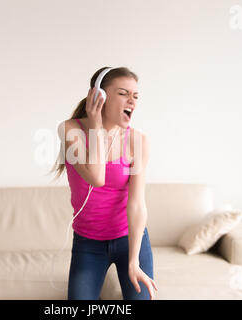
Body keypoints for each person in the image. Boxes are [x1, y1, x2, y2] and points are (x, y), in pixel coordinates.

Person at [50, 67, 157, 300]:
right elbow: (96, 177)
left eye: (135, 96)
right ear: (98, 96)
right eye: (123, 93)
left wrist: (134, 261)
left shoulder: (137, 141)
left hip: (129, 239)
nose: (132, 101)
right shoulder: (71, 130)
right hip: (88, 244)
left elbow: (137, 204)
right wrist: (97, 125)